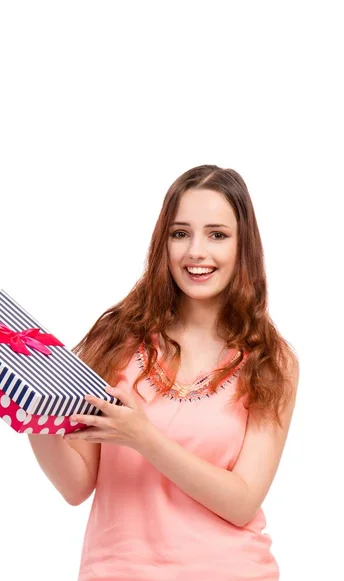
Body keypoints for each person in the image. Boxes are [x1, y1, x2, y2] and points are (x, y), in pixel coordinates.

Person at [27, 164, 300, 581]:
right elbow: (76, 486)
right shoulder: (118, 338)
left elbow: (242, 501)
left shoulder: (270, 360)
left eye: (217, 234)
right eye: (180, 233)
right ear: (163, 243)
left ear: (243, 246)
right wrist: (31, 411)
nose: (196, 251)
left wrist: (143, 438)